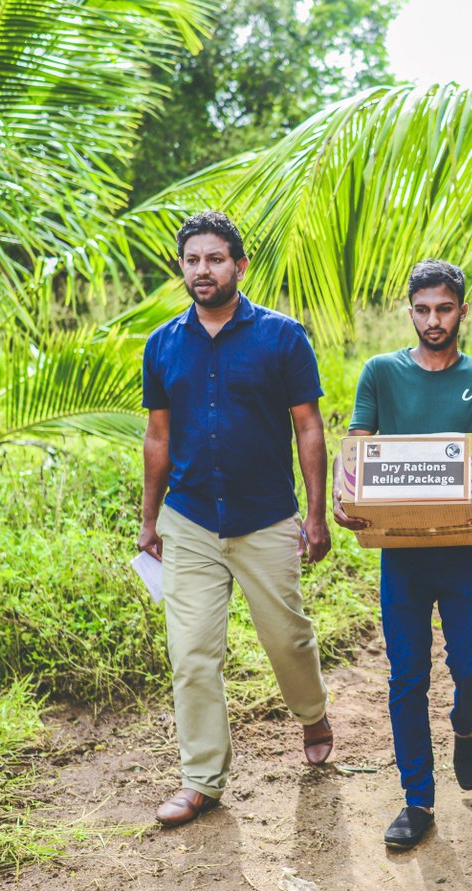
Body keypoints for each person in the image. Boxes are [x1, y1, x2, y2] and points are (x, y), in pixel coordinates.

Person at [138, 211, 335, 828]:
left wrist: (316, 514)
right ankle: (202, 780)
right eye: (193, 260)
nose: (203, 270)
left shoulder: (282, 337)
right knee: (193, 653)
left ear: (239, 266)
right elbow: (157, 437)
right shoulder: (163, 344)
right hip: (190, 519)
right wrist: (149, 522)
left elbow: (308, 427)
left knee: (287, 638)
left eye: (215, 259)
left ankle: (312, 714)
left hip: (266, 518)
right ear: (182, 267)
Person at [332, 259, 472, 850]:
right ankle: (417, 799)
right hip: (403, 553)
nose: (433, 320)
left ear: (462, 311)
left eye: (444, 309)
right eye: (422, 309)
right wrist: (345, 492)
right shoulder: (380, 373)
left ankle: (466, 721)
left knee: (471, 667)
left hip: (468, 551)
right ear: (410, 311)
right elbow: (359, 451)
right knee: (406, 678)